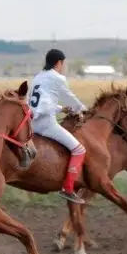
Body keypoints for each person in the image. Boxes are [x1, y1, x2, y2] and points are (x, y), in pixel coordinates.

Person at [29, 48, 88, 204]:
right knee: (79, 150)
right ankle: (68, 188)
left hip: (32, 123)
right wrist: (83, 109)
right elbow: (70, 97)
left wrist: (61, 109)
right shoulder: (57, 78)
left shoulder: (38, 76)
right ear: (59, 62)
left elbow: (40, 102)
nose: (63, 66)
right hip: (46, 124)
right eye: (63, 63)